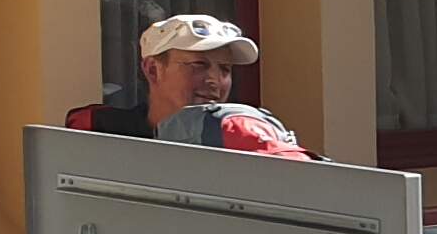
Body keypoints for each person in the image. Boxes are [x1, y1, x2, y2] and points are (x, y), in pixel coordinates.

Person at [69, 13, 308, 153]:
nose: (215, 80)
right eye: (199, 65)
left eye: (225, 69)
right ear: (153, 69)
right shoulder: (103, 134)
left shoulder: (240, 140)